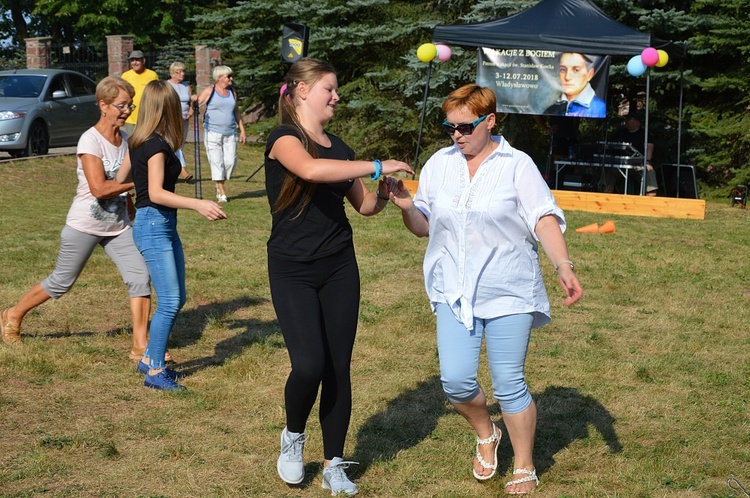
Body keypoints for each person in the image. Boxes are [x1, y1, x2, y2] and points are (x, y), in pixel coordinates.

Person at [389, 84, 583, 495]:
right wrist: (408, 208)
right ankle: (486, 433)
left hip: (508, 288)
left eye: (465, 126)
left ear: (490, 121)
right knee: (456, 382)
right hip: (453, 290)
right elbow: (425, 226)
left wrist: (562, 265)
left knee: (509, 382)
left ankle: (525, 464)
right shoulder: (441, 164)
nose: (457, 135)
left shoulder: (517, 164)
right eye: (449, 127)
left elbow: (543, 217)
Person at [265, 57, 413, 496]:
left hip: (339, 266)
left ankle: (333, 464)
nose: (336, 96)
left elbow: (363, 206)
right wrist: (375, 165)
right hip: (292, 268)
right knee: (309, 364)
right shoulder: (283, 139)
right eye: (329, 88)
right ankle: (293, 437)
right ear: (303, 91)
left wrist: (385, 196)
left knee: (338, 367)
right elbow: (310, 170)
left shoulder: (340, 146)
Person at [1, 77, 151, 360]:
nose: (127, 110)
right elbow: (99, 188)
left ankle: (140, 346)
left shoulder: (127, 139)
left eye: (130, 105)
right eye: (121, 105)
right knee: (61, 282)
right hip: (84, 223)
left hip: (118, 227)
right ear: (103, 105)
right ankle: (12, 314)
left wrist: (130, 205)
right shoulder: (90, 140)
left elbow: (124, 179)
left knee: (140, 278)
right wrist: (138, 184)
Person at [122, 80, 227, 390]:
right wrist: (198, 203)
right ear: (165, 107)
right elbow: (155, 192)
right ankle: (155, 372)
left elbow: (120, 177)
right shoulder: (154, 145)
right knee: (169, 301)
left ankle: (148, 359)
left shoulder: (139, 141)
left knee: (176, 297)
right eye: (177, 106)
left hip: (160, 224)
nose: (182, 111)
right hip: (154, 224)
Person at [197, 65, 247, 203]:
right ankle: (221, 190)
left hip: (230, 132)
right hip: (212, 131)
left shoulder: (232, 92)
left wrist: (242, 130)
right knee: (216, 161)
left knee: (230, 162)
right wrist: (192, 106)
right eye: (228, 76)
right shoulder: (210, 90)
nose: (231, 78)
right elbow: (198, 103)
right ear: (220, 78)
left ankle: (219, 184)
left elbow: (236, 111)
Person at [545, 52, 606, 118]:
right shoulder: (551, 109)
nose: (567, 77)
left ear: (589, 75)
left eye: (576, 70)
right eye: (563, 70)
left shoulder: (600, 109)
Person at [614, 112, 658, 195]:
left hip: (638, 164)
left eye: (629, 119)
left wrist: (647, 161)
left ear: (637, 122)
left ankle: (651, 196)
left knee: (649, 171)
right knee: (608, 171)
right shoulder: (620, 133)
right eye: (626, 119)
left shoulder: (645, 134)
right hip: (620, 165)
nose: (626, 121)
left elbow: (649, 148)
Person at [167, 61, 197, 183]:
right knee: (176, 144)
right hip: (172, 118)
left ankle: (171, 170)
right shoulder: (167, 85)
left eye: (183, 71)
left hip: (184, 119)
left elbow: (190, 102)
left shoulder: (186, 85)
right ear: (173, 73)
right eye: (179, 72)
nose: (182, 74)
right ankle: (184, 171)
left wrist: (190, 111)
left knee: (180, 145)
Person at [121, 50, 159, 137]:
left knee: (147, 142)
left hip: (148, 116)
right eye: (132, 60)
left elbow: (157, 94)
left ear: (143, 60)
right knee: (132, 143)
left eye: (137, 60)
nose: (135, 62)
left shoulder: (152, 75)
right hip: (131, 117)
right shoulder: (125, 76)